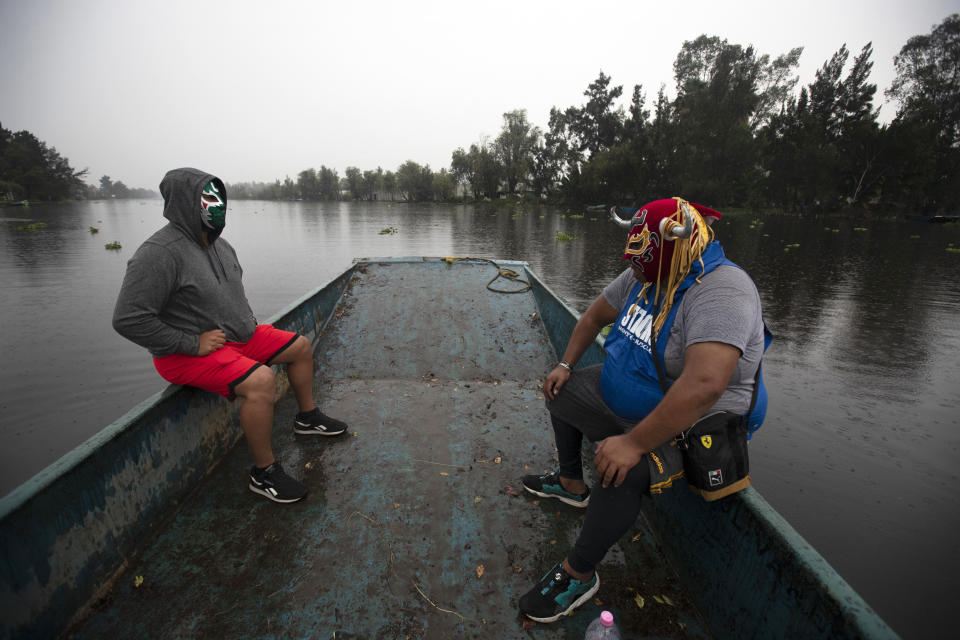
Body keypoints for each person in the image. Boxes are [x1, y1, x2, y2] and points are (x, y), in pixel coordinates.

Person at [518, 197, 769, 622]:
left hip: (694, 421)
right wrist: (564, 365)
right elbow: (593, 317)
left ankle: (579, 573)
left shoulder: (723, 291)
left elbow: (706, 385)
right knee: (561, 390)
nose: (633, 268)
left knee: (623, 468)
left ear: (675, 249)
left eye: (641, 260)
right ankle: (570, 484)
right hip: (632, 393)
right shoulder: (646, 273)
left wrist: (633, 443)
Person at [113, 167, 348, 504]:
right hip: (185, 354)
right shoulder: (158, 254)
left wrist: (246, 324)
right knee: (263, 381)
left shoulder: (221, 245)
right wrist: (191, 343)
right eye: (206, 198)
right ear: (183, 203)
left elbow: (232, 293)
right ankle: (264, 473)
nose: (216, 205)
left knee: (300, 347)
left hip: (238, 338)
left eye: (218, 196)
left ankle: (307, 419)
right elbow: (127, 319)